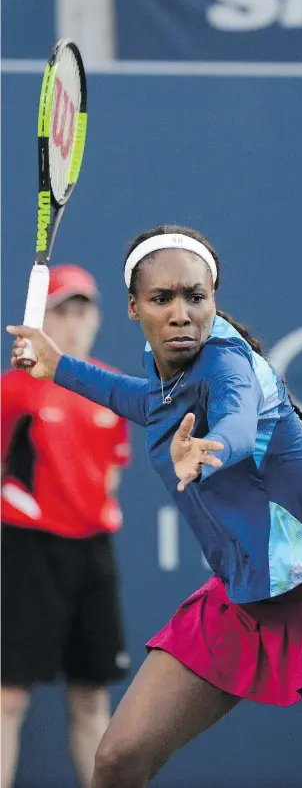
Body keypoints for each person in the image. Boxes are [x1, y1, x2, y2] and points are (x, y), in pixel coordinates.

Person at [7, 226, 302, 788]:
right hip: (242, 597)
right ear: (133, 307)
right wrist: (59, 366)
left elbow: (238, 420)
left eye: (195, 296)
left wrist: (209, 449)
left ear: (213, 300)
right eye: (161, 298)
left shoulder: (226, 362)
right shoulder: (162, 367)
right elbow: (143, 402)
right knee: (117, 760)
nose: (180, 313)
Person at [2, 265, 131, 788]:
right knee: (8, 695)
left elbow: (113, 476)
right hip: (29, 551)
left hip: (92, 554)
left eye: (84, 311)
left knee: (92, 694)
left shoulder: (109, 392)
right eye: (63, 310)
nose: (75, 322)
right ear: (43, 318)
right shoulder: (14, 391)